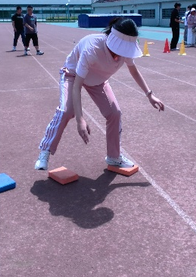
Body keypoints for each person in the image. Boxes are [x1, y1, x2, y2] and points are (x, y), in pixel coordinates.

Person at [34, 17, 165, 171]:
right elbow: (77, 86)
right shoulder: (92, 49)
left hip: (98, 80)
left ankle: (114, 157)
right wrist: (80, 120)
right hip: (73, 75)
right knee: (66, 111)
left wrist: (149, 94)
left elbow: (133, 70)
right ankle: (45, 151)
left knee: (114, 113)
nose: (122, 54)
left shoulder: (126, 48)